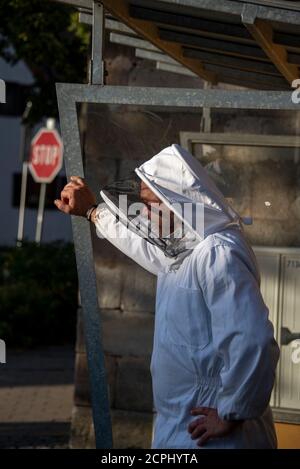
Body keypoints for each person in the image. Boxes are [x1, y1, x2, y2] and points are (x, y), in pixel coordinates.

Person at [54, 143, 280, 449]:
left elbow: (252, 340)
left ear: (179, 202)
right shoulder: (180, 249)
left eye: (152, 203)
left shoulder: (217, 251)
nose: (144, 211)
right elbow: (141, 244)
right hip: (187, 424)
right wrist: (93, 212)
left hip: (216, 434)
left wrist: (232, 412)